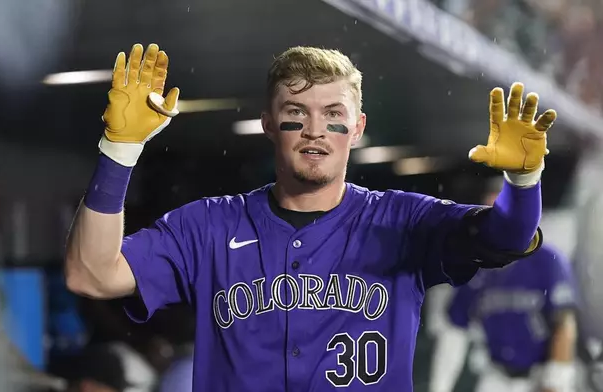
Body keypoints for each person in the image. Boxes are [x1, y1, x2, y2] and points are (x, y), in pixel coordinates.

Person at [65, 42, 556, 391]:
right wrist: (119, 150)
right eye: (295, 113)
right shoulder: (208, 226)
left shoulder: (403, 219)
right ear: (268, 124)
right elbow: (90, 274)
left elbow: (507, 237)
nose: (314, 130)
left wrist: (523, 183)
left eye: (333, 113)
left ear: (358, 127)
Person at [428, 179, 578, 392]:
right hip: (496, 377)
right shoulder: (477, 267)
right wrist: (439, 388)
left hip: (542, 375)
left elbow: (564, 324)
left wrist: (555, 381)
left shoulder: (548, 260)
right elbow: (455, 331)